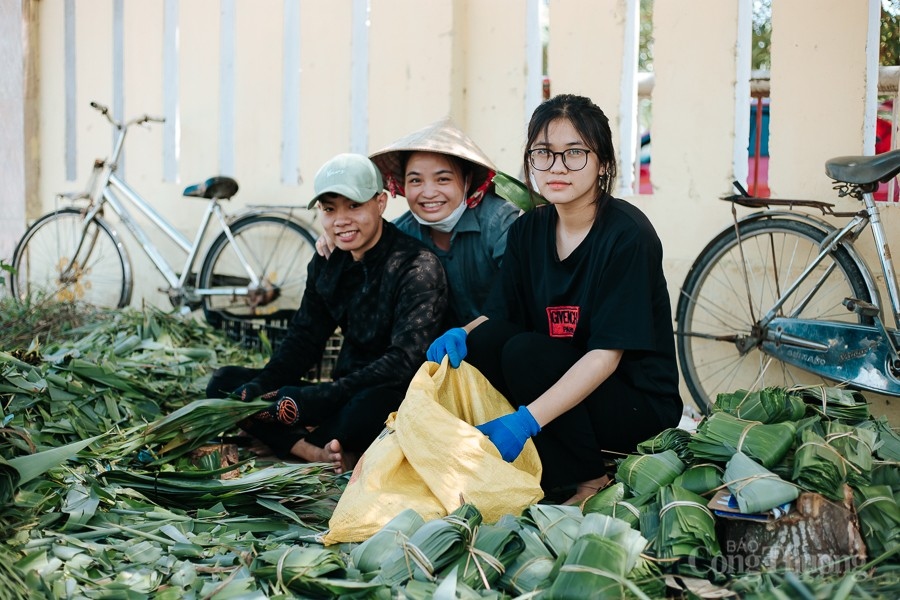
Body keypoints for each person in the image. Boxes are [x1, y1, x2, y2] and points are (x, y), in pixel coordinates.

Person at [426, 94, 683, 505]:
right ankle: (549, 469)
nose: (557, 167)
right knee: (488, 341)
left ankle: (590, 481)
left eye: (575, 153)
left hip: (635, 404)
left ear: (603, 163)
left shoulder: (627, 235)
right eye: (543, 153)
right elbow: (497, 316)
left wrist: (526, 421)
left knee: (527, 353)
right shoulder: (529, 230)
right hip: (566, 394)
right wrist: (459, 333)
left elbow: (605, 357)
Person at [207, 153, 449, 473]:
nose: (341, 220)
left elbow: (404, 363)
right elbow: (304, 338)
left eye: (354, 206)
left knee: (371, 409)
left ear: (380, 203)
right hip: (338, 390)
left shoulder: (416, 266)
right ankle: (311, 450)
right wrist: (260, 385)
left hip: (389, 394)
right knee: (225, 383)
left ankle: (299, 442)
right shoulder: (328, 261)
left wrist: (320, 397)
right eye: (329, 209)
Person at [319, 119, 520, 326]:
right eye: (416, 180)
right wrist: (341, 235)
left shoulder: (500, 222)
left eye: (443, 179)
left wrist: (467, 333)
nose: (429, 193)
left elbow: (518, 297)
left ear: (467, 181)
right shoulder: (401, 233)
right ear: (402, 185)